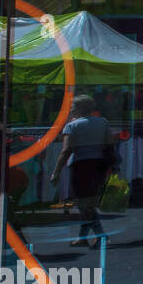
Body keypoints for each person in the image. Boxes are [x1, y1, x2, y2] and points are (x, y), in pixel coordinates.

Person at [51, 95, 114, 248]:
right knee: (88, 202)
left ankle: (101, 236)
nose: (70, 110)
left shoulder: (72, 126)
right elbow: (110, 145)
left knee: (84, 204)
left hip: (80, 165)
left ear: (79, 108)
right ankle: (83, 237)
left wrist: (56, 171)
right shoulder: (103, 122)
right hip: (99, 165)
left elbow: (66, 150)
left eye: (72, 107)